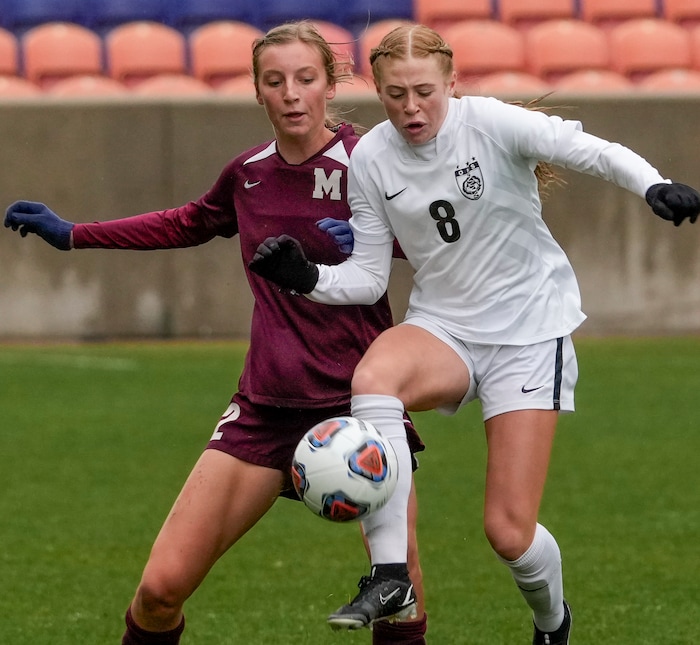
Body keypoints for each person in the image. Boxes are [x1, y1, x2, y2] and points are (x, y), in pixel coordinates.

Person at [247, 22, 700, 644]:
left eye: (425, 92)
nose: (412, 108)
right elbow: (369, 277)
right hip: (445, 325)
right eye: (396, 94)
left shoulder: (489, 123)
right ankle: (390, 573)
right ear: (377, 91)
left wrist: (651, 183)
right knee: (374, 379)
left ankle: (552, 621)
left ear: (452, 82)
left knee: (509, 533)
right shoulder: (372, 158)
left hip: (528, 330)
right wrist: (307, 277)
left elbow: (589, 148)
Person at [4, 22, 430, 645]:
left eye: (306, 79)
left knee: (399, 591)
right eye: (275, 81)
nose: (291, 94)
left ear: (330, 84)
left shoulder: (371, 162)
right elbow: (185, 223)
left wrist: (382, 244)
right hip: (264, 409)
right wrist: (74, 233)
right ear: (257, 92)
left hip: (358, 409)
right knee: (158, 591)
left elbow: (438, 238)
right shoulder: (248, 174)